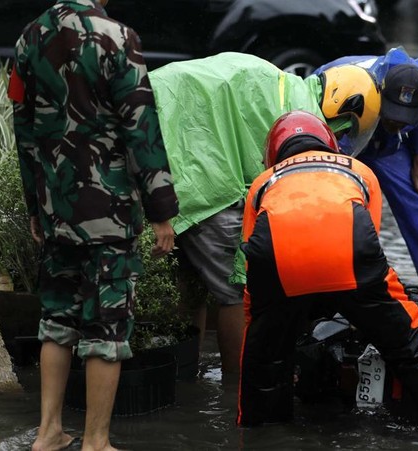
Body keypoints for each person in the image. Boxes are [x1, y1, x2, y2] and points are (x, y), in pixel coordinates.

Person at [236, 111, 418, 434]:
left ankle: (258, 433)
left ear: (275, 152)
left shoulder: (261, 184)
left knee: (263, 358)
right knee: (416, 343)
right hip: (353, 258)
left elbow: (252, 263)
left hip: (278, 266)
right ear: (328, 143)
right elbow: (371, 238)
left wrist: (267, 323)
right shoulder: (360, 171)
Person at [7, 1, 179, 450]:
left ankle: (48, 433)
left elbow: (22, 127)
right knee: (107, 325)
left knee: (57, 316)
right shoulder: (117, 36)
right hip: (109, 210)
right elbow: (141, 126)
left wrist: (35, 203)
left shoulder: (28, 37)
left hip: (56, 206)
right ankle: (96, 442)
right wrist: (162, 210)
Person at [147, 52, 381, 374]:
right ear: (344, 108)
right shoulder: (300, 115)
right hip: (205, 182)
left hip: (164, 159)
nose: (338, 138)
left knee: (191, 285)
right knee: (236, 291)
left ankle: (186, 375)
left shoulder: (278, 81)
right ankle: (236, 387)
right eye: (342, 130)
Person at [315, 47, 418, 285]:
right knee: (332, 209)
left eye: (404, 119)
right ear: (381, 92)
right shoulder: (342, 81)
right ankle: (330, 281)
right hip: (341, 133)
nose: (396, 122)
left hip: (386, 147)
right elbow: (313, 118)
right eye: (393, 115)